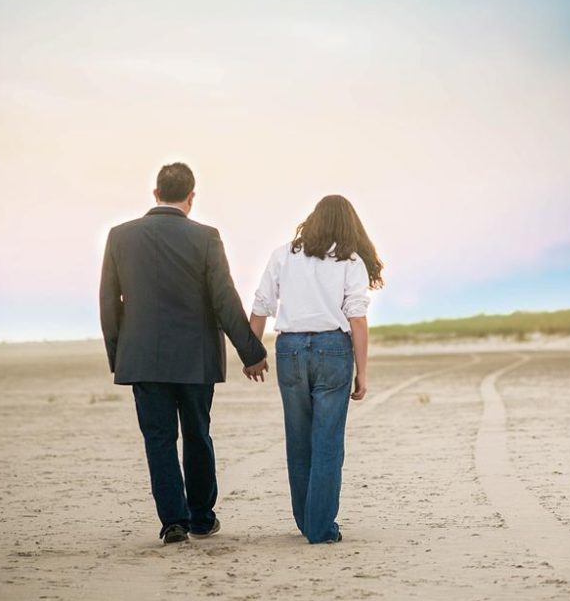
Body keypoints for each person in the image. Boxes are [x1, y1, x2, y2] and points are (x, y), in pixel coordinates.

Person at [99, 162, 268, 545]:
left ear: (155, 193)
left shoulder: (120, 237)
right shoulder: (206, 237)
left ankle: (172, 522)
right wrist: (251, 352)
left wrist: (119, 356)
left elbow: (109, 304)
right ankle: (202, 518)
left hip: (141, 359)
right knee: (197, 435)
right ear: (191, 197)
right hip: (196, 359)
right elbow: (224, 299)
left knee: (158, 440)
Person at [248, 194, 383, 544]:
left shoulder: (283, 255)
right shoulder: (350, 261)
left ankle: (306, 522)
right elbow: (357, 317)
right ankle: (320, 528)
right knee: (328, 442)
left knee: (298, 439)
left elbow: (261, 305)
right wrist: (362, 373)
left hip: (290, 350)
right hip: (332, 350)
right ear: (349, 224)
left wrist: (253, 352)